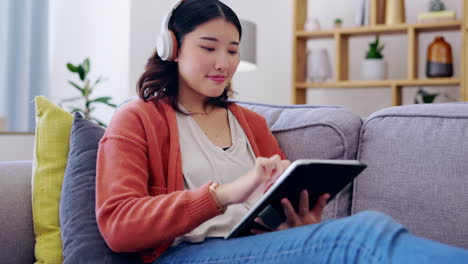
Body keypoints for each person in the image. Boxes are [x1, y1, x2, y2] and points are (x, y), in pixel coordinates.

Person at [95, 0, 468, 263]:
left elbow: (269, 217)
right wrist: (222, 194)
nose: (223, 63)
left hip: (248, 248)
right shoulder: (136, 118)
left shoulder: (252, 124)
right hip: (183, 254)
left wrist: (295, 224)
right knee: (358, 235)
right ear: (171, 47)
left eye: (233, 51)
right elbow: (118, 225)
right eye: (208, 47)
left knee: (359, 232)